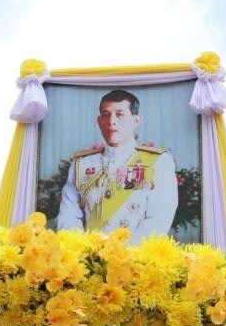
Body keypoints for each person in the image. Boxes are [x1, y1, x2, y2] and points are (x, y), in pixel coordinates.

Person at [56, 88, 178, 239]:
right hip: (89, 256)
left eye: (120, 114)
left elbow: (159, 219)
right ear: (99, 121)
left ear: (136, 120)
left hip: (135, 257)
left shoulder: (158, 161)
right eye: (105, 115)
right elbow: (68, 216)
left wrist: (121, 255)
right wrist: (85, 252)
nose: (111, 121)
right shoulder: (82, 164)